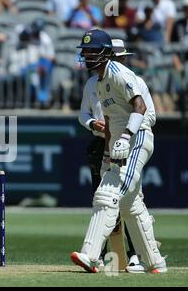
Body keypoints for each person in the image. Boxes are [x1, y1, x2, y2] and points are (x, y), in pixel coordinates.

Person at [71, 29, 166, 274]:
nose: (87, 56)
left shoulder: (119, 74)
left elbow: (141, 106)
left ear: (105, 53)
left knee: (107, 193)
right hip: (119, 143)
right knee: (130, 205)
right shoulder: (99, 83)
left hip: (138, 138)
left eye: (92, 51)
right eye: (85, 51)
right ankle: (154, 262)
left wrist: (126, 136)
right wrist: (107, 154)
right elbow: (112, 120)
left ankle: (91, 256)